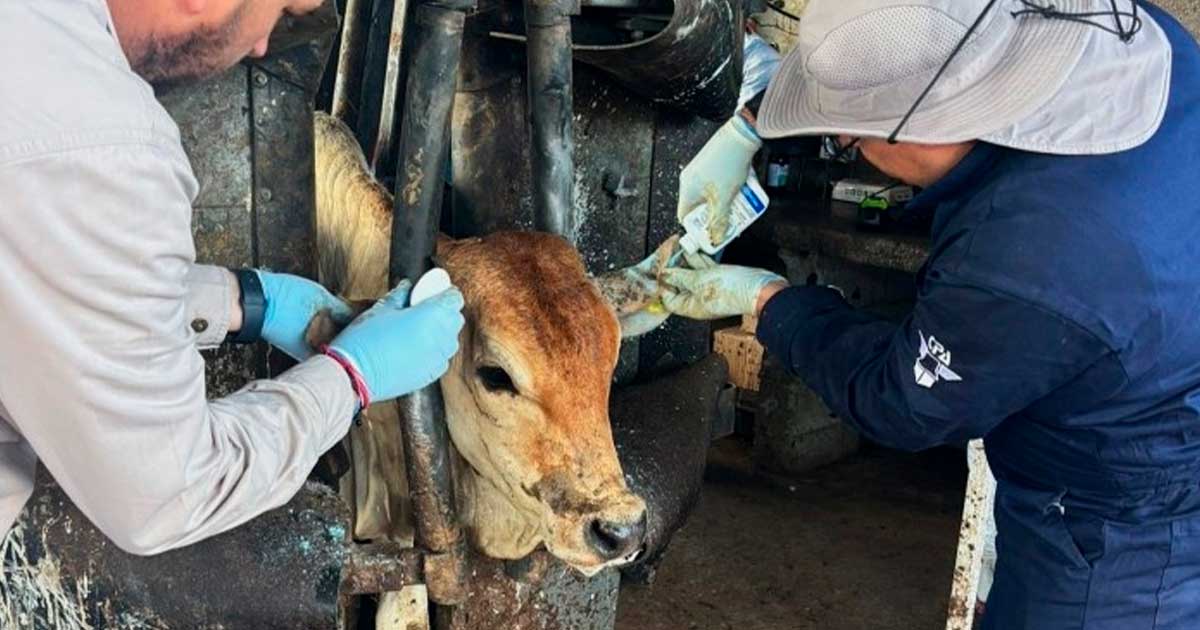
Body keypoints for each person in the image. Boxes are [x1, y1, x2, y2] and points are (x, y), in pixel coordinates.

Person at [663, 1, 1200, 628]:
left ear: (923, 130)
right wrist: (751, 128)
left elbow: (902, 401)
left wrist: (768, 300)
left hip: (1123, 529)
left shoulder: (1023, 259)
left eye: (853, 137)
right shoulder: (1127, 40)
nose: (843, 145)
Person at [0, 0, 465, 555]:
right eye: (278, 9)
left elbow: (36, 278)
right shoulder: (104, 144)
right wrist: (350, 377)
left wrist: (244, 302)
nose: (264, 45)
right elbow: (165, 496)